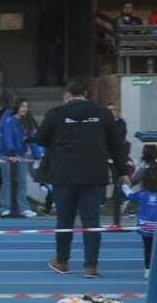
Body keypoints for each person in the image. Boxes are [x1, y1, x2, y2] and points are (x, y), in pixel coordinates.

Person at [38, 80, 121, 277]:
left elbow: (41, 139)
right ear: (85, 93)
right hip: (94, 175)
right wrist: (123, 171)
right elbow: (116, 144)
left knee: (64, 220)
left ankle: (62, 261)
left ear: (67, 95)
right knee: (91, 221)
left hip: (64, 175)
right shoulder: (103, 113)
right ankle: (91, 266)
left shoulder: (56, 114)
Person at [117, 166, 157, 276]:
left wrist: (124, 185)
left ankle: (148, 271)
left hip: (146, 228)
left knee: (148, 249)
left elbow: (129, 194)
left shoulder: (142, 194)